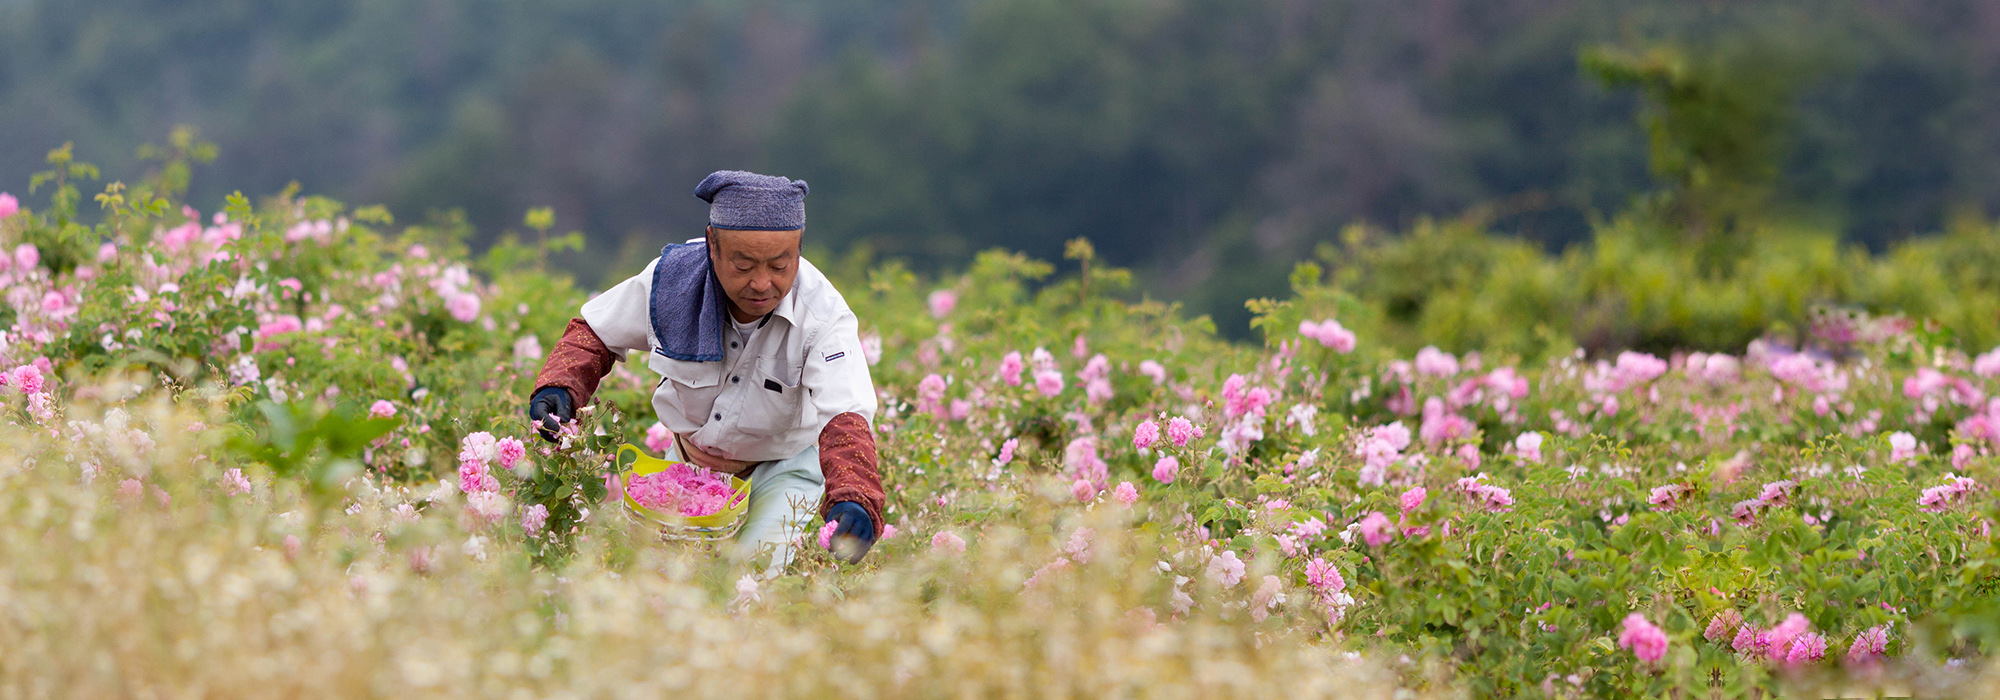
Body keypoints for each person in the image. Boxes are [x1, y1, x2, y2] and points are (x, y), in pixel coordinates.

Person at [525, 170, 883, 572]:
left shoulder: (823, 316)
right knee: (654, 578)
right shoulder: (673, 280)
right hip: (687, 463)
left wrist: (854, 494)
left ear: (798, 252)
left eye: (780, 266)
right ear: (712, 244)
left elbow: (845, 416)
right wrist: (559, 387)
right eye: (744, 264)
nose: (762, 283)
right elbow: (595, 332)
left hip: (780, 471)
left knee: (750, 578)